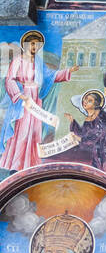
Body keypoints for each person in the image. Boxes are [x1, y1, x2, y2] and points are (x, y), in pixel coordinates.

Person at [0, 31, 76, 172]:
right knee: (22, 132)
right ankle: (16, 165)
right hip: (23, 100)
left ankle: (29, 163)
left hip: (35, 100)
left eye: (38, 44)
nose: (35, 47)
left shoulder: (39, 62)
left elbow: (50, 77)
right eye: (33, 44)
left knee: (34, 133)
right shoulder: (18, 60)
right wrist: (19, 95)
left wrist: (67, 71)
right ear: (26, 44)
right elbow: (9, 79)